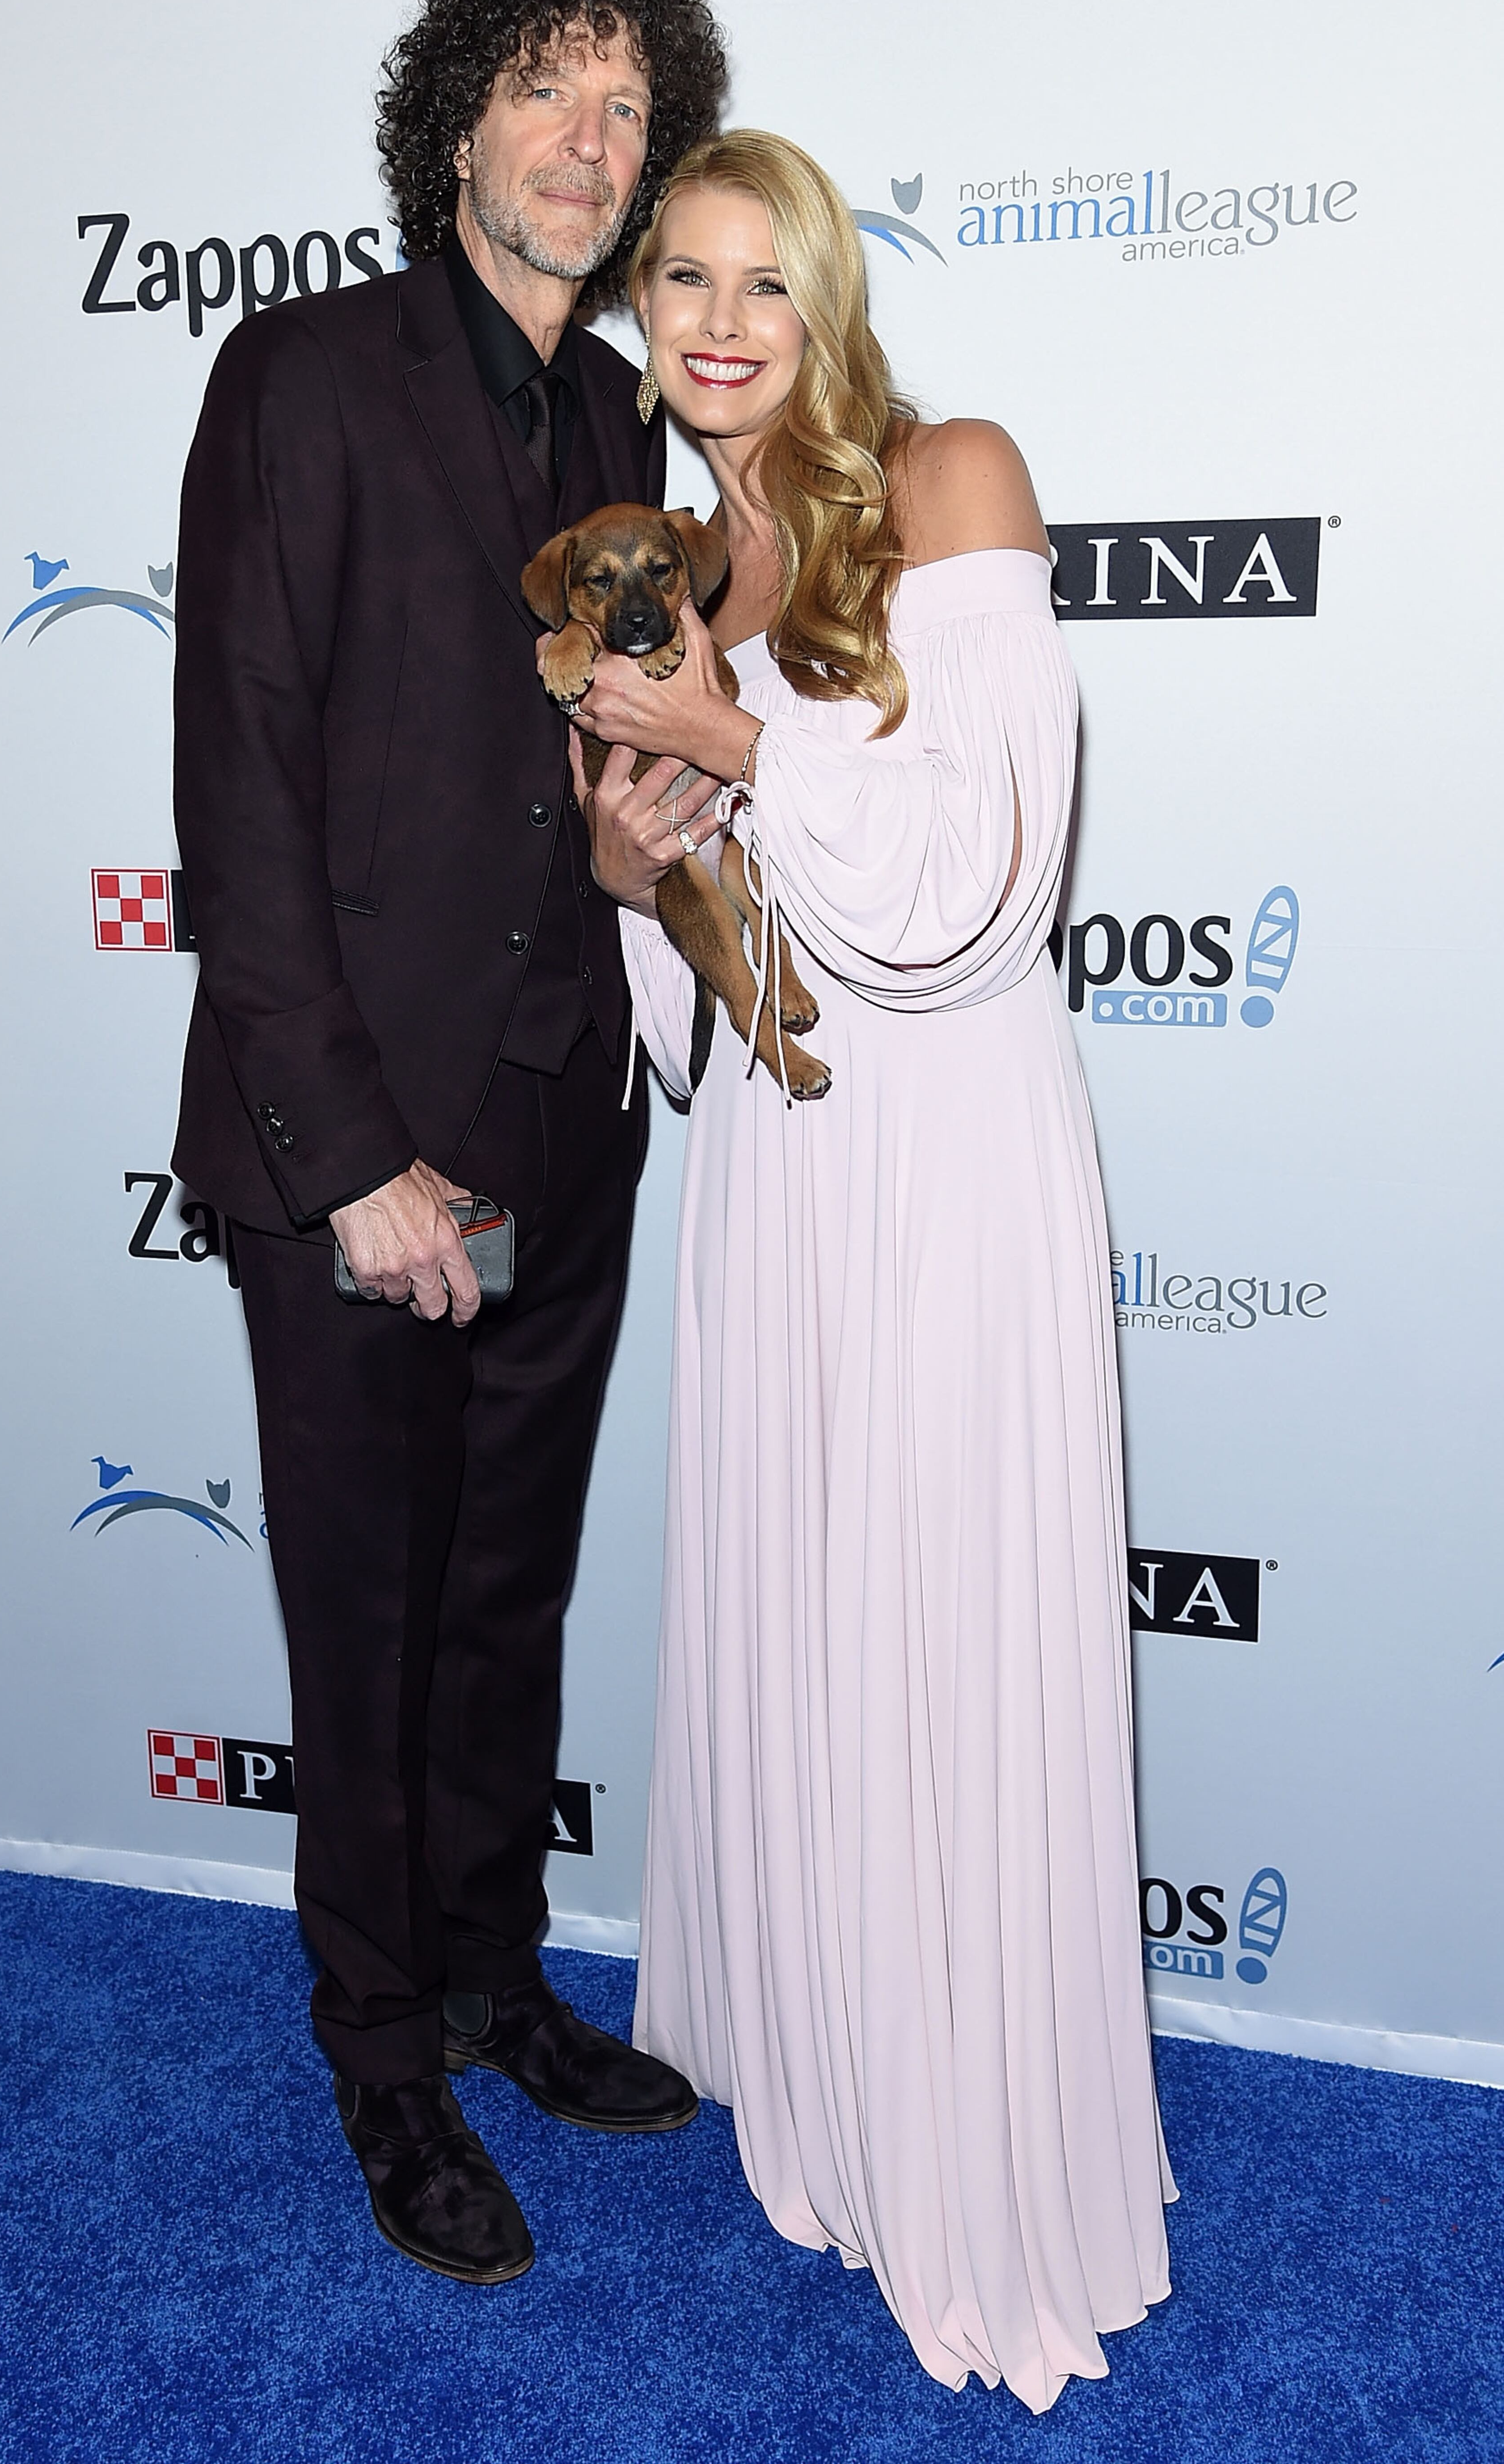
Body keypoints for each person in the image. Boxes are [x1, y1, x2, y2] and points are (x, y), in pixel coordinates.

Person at [570, 131, 1175, 2410]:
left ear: (829, 300)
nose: (721, 323)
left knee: (944, 1613)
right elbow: (748, 1011)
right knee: (822, 1614)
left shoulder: (954, 478)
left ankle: (978, 2137)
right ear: (650, 316)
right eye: (684, 283)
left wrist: (729, 742)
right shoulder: (684, 569)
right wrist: (652, 883)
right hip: (801, 1182)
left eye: (767, 279)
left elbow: (974, 902)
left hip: (956, 1162)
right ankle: (836, 2072)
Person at [170, 0, 727, 2289]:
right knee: (374, 1616)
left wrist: (647, 841)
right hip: (374, 1151)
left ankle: (496, 1984)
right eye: (550, 97)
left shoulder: (622, 426)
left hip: (558, 1119)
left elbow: (601, 786)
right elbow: (244, 780)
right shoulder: (299, 373)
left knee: (506, 1592)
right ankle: (384, 2056)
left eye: (627, 113)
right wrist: (353, 1159)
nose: (592, 150)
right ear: (458, 123)